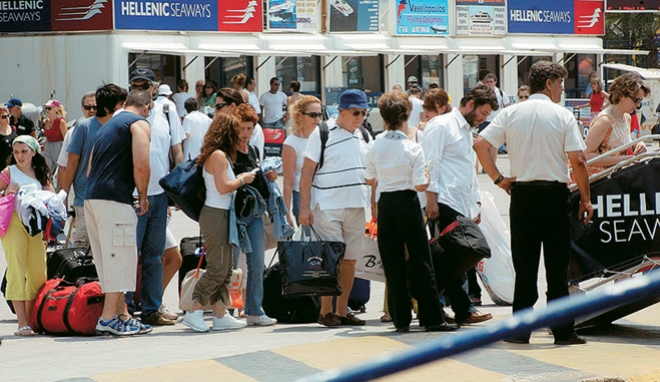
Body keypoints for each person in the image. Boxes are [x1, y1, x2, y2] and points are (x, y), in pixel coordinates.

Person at [474, 60, 593, 345]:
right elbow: (577, 159)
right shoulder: (562, 115)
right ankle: (562, 330)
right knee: (557, 267)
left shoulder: (511, 112)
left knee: (525, 267)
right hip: (554, 195)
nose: (562, 89)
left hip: (523, 195)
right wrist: (586, 199)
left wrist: (499, 178)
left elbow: (480, 144)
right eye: (560, 83)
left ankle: (520, 331)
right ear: (549, 83)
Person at [366, 90, 458, 333]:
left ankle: (400, 319)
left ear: (384, 118)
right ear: (406, 117)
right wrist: (426, 176)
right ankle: (431, 317)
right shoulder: (412, 147)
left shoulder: (374, 144)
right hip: (408, 202)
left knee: (392, 261)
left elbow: (368, 178)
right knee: (421, 259)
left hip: (385, 203)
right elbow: (420, 184)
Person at [421, 84, 496, 326]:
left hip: (461, 203)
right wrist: (431, 200)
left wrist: (475, 204)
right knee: (463, 252)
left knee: (454, 258)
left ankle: (454, 307)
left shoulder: (465, 130)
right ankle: (454, 306)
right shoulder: (442, 125)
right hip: (443, 200)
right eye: (483, 112)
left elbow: (468, 169)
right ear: (471, 105)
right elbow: (429, 163)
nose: (484, 118)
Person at [299, 89, 370, 327]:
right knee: (330, 260)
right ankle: (325, 311)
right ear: (341, 111)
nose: (360, 117)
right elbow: (306, 172)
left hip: (357, 205)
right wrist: (304, 208)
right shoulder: (322, 133)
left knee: (350, 260)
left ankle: (342, 310)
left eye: (363, 112)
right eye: (355, 112)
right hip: (328, 206)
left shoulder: (365, 136)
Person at [85, 90, 152, 336]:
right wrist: (143, 196)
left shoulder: (106, 126)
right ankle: (107, 319)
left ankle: (122, 315)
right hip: (115, 199)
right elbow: (142, 163)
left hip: (93, 197)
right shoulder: (139, 123)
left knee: (108, 260)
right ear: (146, 107)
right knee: (121, 260)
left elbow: (90, 168)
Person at [181, 113, 256, 333]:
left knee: (225, 268)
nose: (241, 135)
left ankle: (220, 313)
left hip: (222, 214)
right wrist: (244, 178)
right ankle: (193, 310)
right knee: (217, 268)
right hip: (216, 214)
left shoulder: (217, 155)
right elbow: (223, 187)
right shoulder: (218, 155)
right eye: (237, 131)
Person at [126, 68, 184, 326]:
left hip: (159, 194)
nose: (140, 88)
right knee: (129, 255)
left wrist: (179, 190)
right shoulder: (125, 113)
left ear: (154, 87)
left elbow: (177, 151)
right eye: (135, 84)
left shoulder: (167, 110)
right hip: (134, 196)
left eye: (145, 84)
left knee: (153, 256)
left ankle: (151, 308)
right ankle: (123, 309)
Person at [61, 84, 128, 248]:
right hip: (84, 199)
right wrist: (63, 196)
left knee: (108, 248)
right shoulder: (83, 127)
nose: (125, 108)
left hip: (113, 200)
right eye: (121, 104)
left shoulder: (123, 127)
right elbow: (71, 163)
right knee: (81, 248)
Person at [0, 135, 53, 336]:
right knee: (16, 268)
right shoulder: (8, 172)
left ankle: (33, 320)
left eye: (24, 151)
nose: (20, 156)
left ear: (33, 152)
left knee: (38, 270)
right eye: (16, 152)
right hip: (13, 222)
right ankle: (22, 323)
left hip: (36, 224)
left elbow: (52, 196)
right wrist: (6, 194)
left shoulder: (42, 173)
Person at [231, 104, 278, 326]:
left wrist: (267, 177)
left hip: (254, 213)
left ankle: (254, 310)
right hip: (232, 213)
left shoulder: (253, 150)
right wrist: (243, 176)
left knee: (257, 262)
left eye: (250, 128)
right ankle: (228, 308)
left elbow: (257, 184)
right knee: (230, 263)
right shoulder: (227, 150)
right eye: (242, 128)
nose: (246, 133)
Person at [582, 72, 649, 174]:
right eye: (636, 100)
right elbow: (586, 156)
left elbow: (626, 141)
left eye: (640, 101)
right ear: (622, 95)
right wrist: (622, 160)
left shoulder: (626, 117)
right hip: (599, 181)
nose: (638, 105)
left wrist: (638, 144)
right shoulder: (605, 120)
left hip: (614, 180)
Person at [282, 95, 321, 227]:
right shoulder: (291, 143)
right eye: (313, 115)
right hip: (302, 196)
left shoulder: (324, 137)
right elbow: (287, 182)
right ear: (300, 115)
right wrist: (286, 214)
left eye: (320, 115)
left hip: (324, 194)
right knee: (309, 241)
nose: (317, 119)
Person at [42, 100, 68, 174]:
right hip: (48, 146)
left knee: (59, 168)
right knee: (46, 168)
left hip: (58, 146)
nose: (47, 110)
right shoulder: (47, 121)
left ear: (56, 109)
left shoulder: (61, 122)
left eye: (49, 108)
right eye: (46, 108)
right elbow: (47, 136)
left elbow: (66, 138)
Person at [0, 106, 18, 171]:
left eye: (8, 116)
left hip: (14, 163)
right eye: (4, 117)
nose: (7, 118)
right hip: (2, 166)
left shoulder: (13, 128)